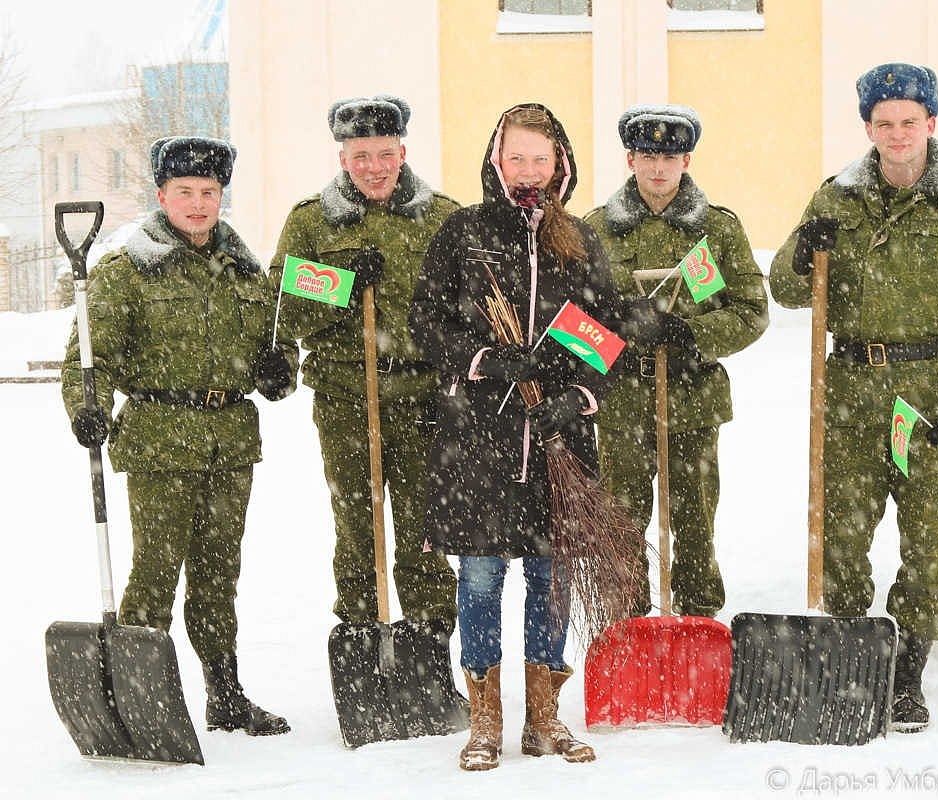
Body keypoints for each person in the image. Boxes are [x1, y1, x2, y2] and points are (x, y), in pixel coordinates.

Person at [769, 63, 938, 733]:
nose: (898, 133)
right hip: (851, 385)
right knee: (844, 532)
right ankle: (855, 652)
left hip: (929, 391)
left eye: (910, 121)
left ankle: (908, 669)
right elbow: (788, 291)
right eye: (885, 122)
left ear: (931, 124)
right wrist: (801, 253)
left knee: (927, 539)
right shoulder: (837, 198)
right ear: (869, 128)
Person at [410, 103, 624, 771]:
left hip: (558, 444)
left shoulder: (581, 240)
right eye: (517, 157)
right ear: (496, 161)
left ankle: (543, 718)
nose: (529, 169)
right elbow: (425, 319)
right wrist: (482, 359)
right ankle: (484, 722)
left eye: (541, 157)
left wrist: (577, 396)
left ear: (559, 163)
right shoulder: (463, 234)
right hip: (477, 442)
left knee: (550, 579)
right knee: (477, 581)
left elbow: (606, 334)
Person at [61, 135, 297, 736]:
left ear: (222, 196)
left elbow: (276, 343)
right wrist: (86, 408)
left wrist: (277, 372)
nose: (198, 204)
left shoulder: (245, 268)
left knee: (220, 572)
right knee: (157, 569)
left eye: (209, 192)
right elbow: (88, 358)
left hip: (230, 439)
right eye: (185, 192)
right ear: (162, 195)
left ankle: (225, 692)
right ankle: (143, 698)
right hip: (161, 439)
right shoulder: (127, 271)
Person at [269, 96, 460, 646]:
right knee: (356, 521)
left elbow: (472, 308)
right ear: (342, 158)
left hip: (427, 395)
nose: (374, 168)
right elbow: (283, 313)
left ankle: (429, 636)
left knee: (427, 526)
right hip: (347, 395)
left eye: (383, 154)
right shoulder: (311, 223)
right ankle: (360, 630)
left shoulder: (442, 217)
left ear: (402, 151)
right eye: (360, 156)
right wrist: (340, 282)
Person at [583, 105, 769, 618]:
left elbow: (752, 313)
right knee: (622, 519)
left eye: (669, 156)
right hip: (622, 403)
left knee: (694, 519)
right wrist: (614, 339)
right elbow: (571, 318)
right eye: (647, 155)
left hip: (693, 397)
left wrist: (689, 335)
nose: (658, 167)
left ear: (686, 159)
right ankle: (625, 623)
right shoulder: (597, 229)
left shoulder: (717, 230)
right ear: (630, 158)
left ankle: (697, 620)